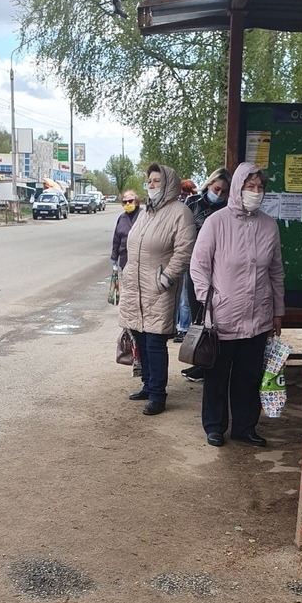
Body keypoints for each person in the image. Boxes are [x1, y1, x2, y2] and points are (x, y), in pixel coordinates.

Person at [190, 162, 284, 447]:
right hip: (222, 317)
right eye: (249, 186)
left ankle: (244, 427)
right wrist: (211, 302)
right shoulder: (216, 222)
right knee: (217, 375)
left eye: (260, 187)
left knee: (248, 376)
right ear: (238, 189)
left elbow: (276, 272)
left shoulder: (269, 226)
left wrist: (278, 311)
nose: (255, 192)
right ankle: (214, 426)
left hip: (258, 317)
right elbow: (198, 266)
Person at [118, 163, 196, 415]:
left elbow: (184, 251)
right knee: (140, 338)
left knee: (154, 342)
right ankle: (147, 384)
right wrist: (126, 273)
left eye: (157, 181)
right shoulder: (146, 212)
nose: (151, 185)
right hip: (136, 286)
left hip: (159, 288)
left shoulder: (180, 212)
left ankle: (157, 395)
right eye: (149, 181)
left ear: (168, 183)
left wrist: (167, 278)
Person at [178, 166, 232, 362]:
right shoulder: (192, 203)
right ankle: (199, 357)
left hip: (219, 267)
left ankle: (211, 358)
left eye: (224, 191)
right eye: (216, 189)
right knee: (196, 311)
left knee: (215, 313)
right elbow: (182, 232)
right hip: (195, 264)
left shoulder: (228, 208)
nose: (219, 194)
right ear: (209, 184)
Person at [111, 189, 141, 271]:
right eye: (125, 202)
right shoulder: (122, 218)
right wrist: (114, 257)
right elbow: (116, 240)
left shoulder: (144, 215)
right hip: (125, 259)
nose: (127, 203)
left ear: (136, 202)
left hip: (140, 259)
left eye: (130, 201)